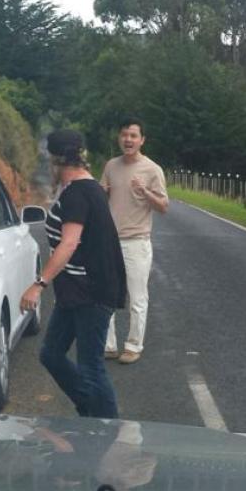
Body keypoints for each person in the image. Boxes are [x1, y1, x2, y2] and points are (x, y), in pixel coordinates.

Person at [20, 129, 127, 418]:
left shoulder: (80, 192)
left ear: (55, 161)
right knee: (51, 354)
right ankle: (91, 408)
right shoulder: (76, 189)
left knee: (91, 365)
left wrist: (39, 284)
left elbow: (69, 243)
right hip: (75, 292)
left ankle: (106, 426)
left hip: (91, 291)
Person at [100, 118, 169, 364]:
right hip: (109, 241)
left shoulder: (152, 169)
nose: (128, 140)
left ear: (142, 140)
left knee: (136, 296)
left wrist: (145, 191)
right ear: (119, 138)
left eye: (133, 135)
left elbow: (163, 206)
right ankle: (108, 345)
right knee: (106, 294)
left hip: (136, 241)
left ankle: (133, 345)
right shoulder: (111, 166)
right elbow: (103, 196)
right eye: (124, 135)